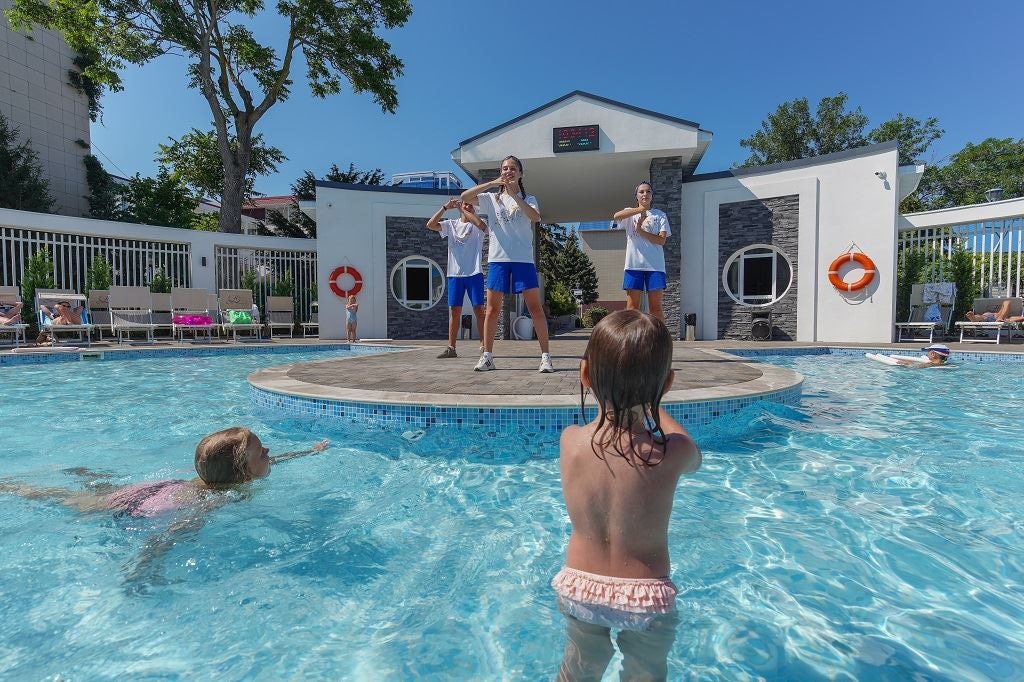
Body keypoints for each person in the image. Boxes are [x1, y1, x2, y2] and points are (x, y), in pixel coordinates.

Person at [553, 310, 701, 681]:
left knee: (579, 669)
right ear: (666, 384)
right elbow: (695, 456)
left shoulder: (570, 441)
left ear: (585, 375)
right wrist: (654, 403)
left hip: (579, 587)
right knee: (644, 672)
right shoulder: (671, 453)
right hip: (645, 596)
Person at [0, 427, 329, 587]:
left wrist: (310, 452)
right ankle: (16, 488)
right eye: (262, 451)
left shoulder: (232, 477)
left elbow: (276, 460)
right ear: (243, 473)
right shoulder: (211, 501)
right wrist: (143, 570)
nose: (269, 450)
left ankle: (83, 476)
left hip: (155, 488)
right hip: (143, 507)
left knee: (96, 492)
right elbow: (169, 535)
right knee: (75, 503)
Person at [460, 155, 553, 373]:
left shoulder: (529, 199)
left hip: (523, 260)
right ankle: (488, 356)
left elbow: (535, 217)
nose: (508, 171)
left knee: (535, 309)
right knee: (492, 310)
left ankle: (546, 357)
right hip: (498, 260)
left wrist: (513, 195)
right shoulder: (491, 199)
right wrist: (493, 184)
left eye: (513, 168)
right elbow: (465, 196)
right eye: (504, 168)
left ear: (520, 173)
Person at [427, 198, 487, 358]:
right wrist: (445, 207)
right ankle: (451, 348)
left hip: (474, 273)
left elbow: (482, 226)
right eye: (464, 203)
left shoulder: (477, 223)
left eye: (469, 204)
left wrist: (463, 209)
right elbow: (430, 225)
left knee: (479, 310)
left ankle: (484, 345)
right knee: (454, 311)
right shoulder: (451, 224)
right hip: (455, 274)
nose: (466, 206)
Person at [612, 181, 672, 323]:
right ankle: (632, 342)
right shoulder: (630, 213)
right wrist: (640, 210)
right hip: (633, 265)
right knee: (632, 308)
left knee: (655, 308)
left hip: (655, 266)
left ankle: (659, 341)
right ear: (636, 196)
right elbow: (616, 216)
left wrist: (640, 231)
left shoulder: (660, 215)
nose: (645, 194)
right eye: (642, 192)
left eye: (648, 191)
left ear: (652, 195)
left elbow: (661, 240)